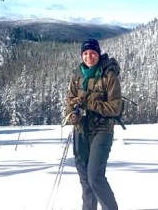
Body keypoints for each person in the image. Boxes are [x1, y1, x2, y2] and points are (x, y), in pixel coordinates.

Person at [65, 38, 122, 210]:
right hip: (81, 129)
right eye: (85, 53)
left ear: (98, 54)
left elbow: (115, 107)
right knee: (84, 177)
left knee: (95, 176)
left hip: (102, 129)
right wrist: (72, 115)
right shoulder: (77, 75)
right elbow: (69, 102)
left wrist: (89, 104)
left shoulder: (108, 75)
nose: (89, 57)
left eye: (92, 53)